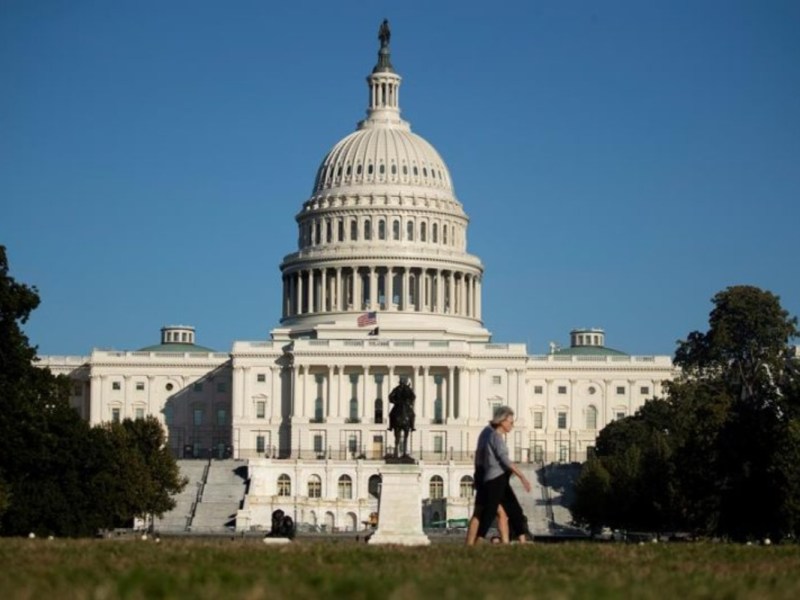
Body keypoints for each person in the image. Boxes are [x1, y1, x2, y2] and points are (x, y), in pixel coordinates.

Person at [466, 405, 532, 545]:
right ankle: (475, 543)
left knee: (504, 512)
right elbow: (503, 459)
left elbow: (481, 455)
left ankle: (511, 542)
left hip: (491, 476)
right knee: (487, 512)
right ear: (502, 421)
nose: (513, 425)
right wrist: (522, 476)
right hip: (493, 478)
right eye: (511, 422)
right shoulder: (494, 436)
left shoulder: (488, 432)